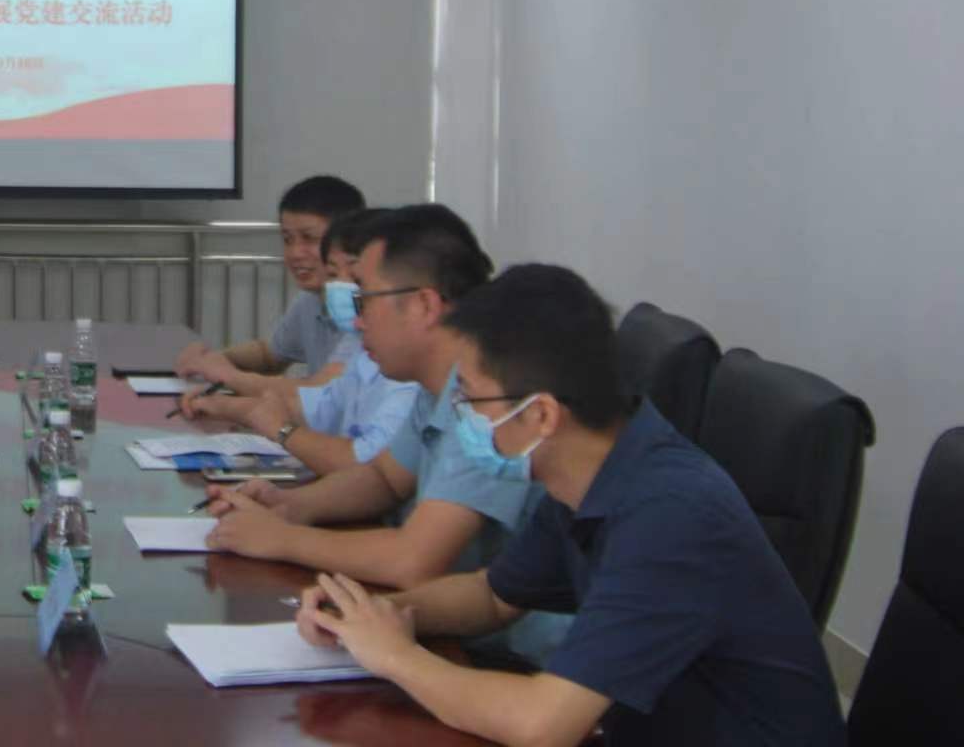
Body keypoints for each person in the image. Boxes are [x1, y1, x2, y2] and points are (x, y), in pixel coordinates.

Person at [296, 265, 846, 747]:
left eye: (469, 398)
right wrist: (376, 614)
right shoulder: (593, 469)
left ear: (541, 415)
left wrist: (396, 657)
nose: (459, 412)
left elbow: (543, 726)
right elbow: (492, 597)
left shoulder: (671, 514)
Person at [204, 205, 559, 657]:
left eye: (364, 300)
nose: (356, 322)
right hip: (437, 625)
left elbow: (414, 559)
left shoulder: (487, 400)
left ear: (424, 305)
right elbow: (384, 478)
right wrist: (288, 506)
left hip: (508, 657)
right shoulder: (433, 385)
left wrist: (283, 539)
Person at [197, 210, 420, 477]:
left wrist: (281, 429)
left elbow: (367, 467)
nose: (340, 286)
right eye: (333, 273)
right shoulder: (363, 346)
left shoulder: (411, 379)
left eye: (358, 279)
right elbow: (319, 406)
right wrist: (226, 406)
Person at [173, 175, 365, 407]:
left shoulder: (367, 311)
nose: (295, 253)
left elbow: (322, 391)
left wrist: (227, 375)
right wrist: (212, 359)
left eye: (309, 239)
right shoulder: (309, 300)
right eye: (287, 239)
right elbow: (270, 355)